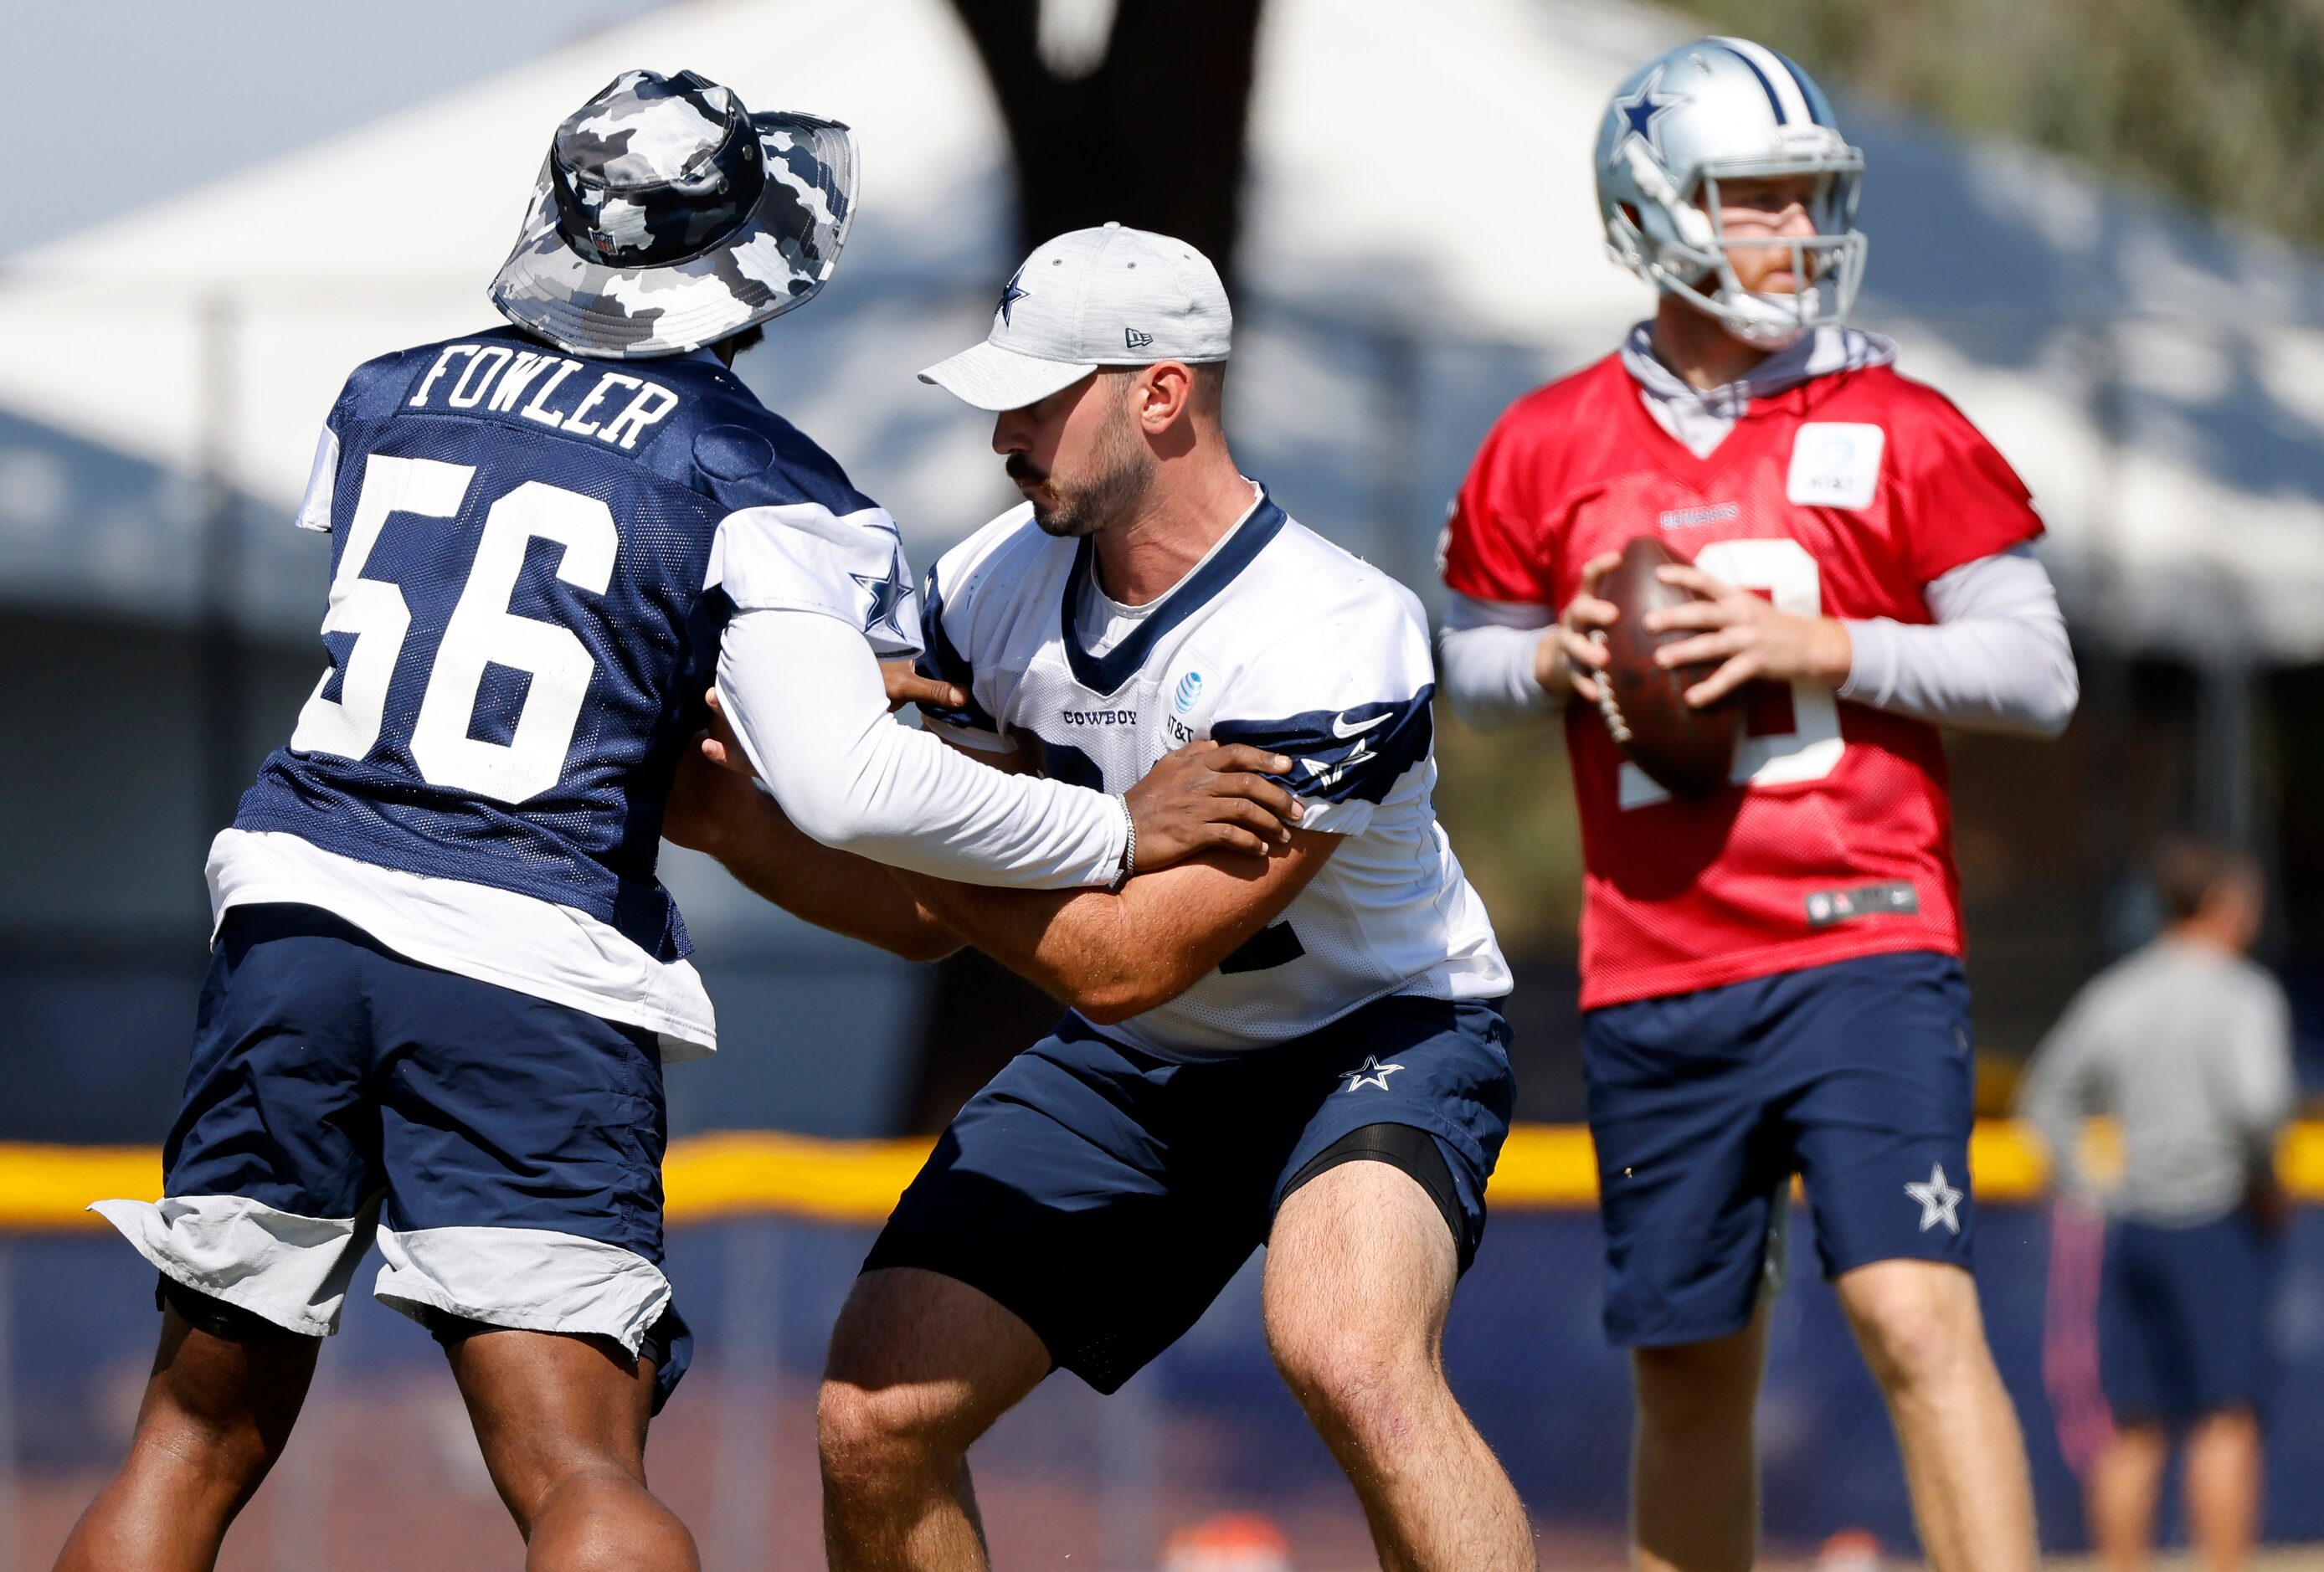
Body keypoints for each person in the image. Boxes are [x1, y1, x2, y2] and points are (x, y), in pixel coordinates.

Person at [59, 75, 1292, 1572]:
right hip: (519, 956)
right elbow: (845, 784)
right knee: (576, 1467)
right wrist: (1113, 828)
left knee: (190, 1436)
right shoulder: (757, 475)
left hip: (291, 923)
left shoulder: (390, 389)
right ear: (746, 252)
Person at [666, 223, 1535, 1570]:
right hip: (1140, 1065)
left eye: (1039, 394)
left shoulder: (1330, 630)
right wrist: (740, 829)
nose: (1004, 431)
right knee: (872, 1417)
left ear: (1162, 393)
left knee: (1348, 1351)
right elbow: (917, 915)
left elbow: (1128, 962)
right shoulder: (985, 589)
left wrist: (890, 816)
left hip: (1375, 1037)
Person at [1435, 37, 2080, 1572]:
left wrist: (1825, 645)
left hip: (1864, 932)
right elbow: (1462, 657)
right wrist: (1550, 660)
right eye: (1759, 201)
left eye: (1808, 199)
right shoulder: (1548, 439)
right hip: (1659, 960)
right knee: (1689, 1371)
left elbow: (2039, 672)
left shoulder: (1904, 425)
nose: (1797, 234)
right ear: (1655, 210)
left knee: (1913, 1309)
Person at [2018, 840, 2295, 1572]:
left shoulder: (2119, 991)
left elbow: (2045, 1098)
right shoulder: (2244, 994)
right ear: (2225, 904)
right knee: (2224, 1418)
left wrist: (2087, 1185)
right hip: (2218, 1223)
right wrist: (2268, 1185)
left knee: (2133, 1421)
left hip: (2132, 1225)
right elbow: (2260, 1108)